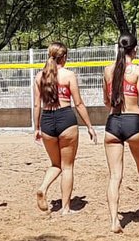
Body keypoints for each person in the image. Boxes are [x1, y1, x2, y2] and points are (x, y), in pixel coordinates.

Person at [103, 32, 139, 233]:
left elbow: (106, 101)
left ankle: (114, 221)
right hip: (133, 122)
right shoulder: (138, 71)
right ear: (135, 49)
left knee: (114, 176)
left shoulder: (108, 70)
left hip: (113, 123)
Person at [33, 42, 97, 214]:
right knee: (67, 166)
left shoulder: (39, 77)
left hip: (47, 120)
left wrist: (37, 128)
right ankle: (65, 208)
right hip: (65, 119)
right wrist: (89, 126)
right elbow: (79, 103)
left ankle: (43, 187)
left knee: (55, 164)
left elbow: (37, 105)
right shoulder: (69, 75)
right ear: (64, 57)